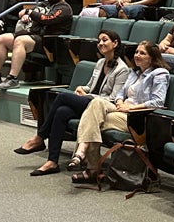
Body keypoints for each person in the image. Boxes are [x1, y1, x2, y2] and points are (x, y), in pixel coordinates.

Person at [14, 30, 131, 176]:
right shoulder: (101, 62)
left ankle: (40, 137)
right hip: (89, 102)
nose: (100, 43)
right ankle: (52, 161)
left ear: (115, 43)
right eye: (99, 40)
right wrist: (83, 88)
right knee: (61, 112)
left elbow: (113, 99)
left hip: (102, 107)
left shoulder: (122, 69)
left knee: (62, 97)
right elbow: (91, 85)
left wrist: (88, 95)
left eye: (105, 40)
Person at [69, 41, 170, 184]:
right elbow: (120, 93)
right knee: (96, 103)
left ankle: (87, 161)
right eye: (136, 52)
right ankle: (86, 159)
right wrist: (120, 102)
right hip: (120, 110)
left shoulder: (159, 74)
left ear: (152, 58)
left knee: (91, 121)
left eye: (142, 53)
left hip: (136, 117)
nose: (137, 55)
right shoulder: (134, 72)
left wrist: (131, 108)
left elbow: (158, 102)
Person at [0, 0, 73, 90]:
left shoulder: (64, 8)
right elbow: (34, 11)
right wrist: (27, 15)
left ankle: (13, 78)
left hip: (49, 42)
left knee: (20, 41)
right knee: (2, 38)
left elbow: (47, 19)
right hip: (33, 35)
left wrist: (29, 12)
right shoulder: (46, 3)